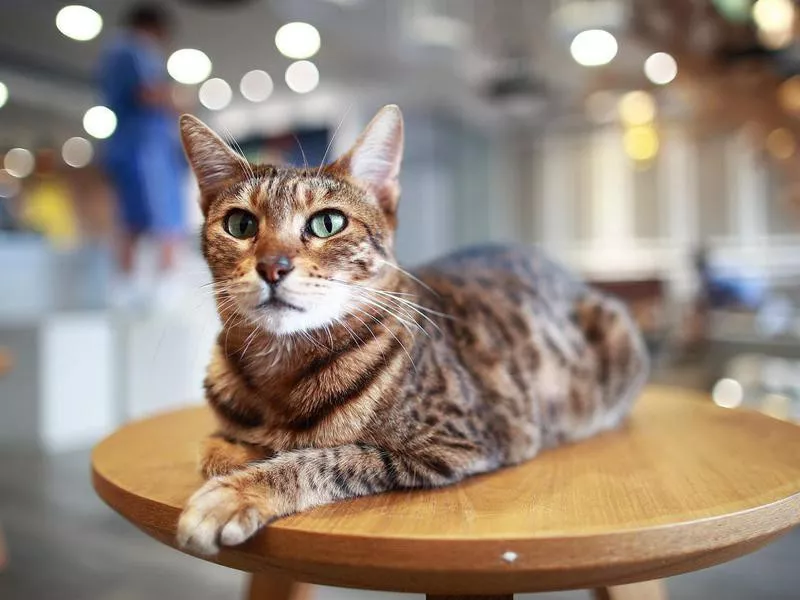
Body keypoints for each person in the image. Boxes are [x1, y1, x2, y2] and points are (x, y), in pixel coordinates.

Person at [98, 3, 187, 309]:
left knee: (130, 217)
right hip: (147, 148)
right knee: (166, 214)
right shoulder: (135, 48)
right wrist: (178, 103)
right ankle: (167, 282)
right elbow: (148, 92)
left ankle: (125, 282)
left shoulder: (111, 52)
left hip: (126, 146)